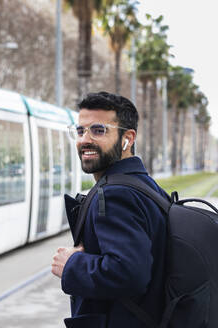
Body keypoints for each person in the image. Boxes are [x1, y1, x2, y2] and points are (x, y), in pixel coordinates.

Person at [51, 91, 168, 328]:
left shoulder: (116, 194)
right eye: (81, 131)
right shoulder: (145, 185)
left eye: (98, 130)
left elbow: (129, 273)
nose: (85, 140)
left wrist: (71, 265)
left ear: (128, 138)